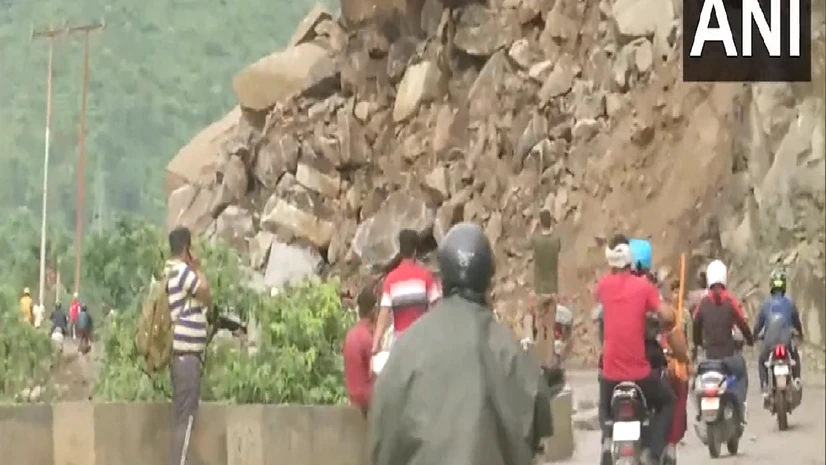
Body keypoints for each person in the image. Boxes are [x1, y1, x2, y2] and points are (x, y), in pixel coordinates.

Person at [369, 223, 554, 465]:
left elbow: (380, 439)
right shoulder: (511, 351)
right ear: (488, 282)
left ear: (443, 278)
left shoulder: (404, 352)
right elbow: (540, 419)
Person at [596, 234, 676, 465]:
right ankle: (653, 451)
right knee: (668, 401)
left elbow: (599, 308)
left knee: (604, 405)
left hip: (611, 375)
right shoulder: (644, 288)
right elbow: (666, 314)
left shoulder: (602, 287)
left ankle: (607, 439)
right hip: (639, 375)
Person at [166, 226, 212, 465]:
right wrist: (198, 268)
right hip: (187, 357)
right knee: (186, 419)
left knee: (183, 416)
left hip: (182, 356)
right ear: (186, 249)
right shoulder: (181, 271)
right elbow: (206, 292)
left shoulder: (171, 272)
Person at [692, 260, 754, 421]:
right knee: (741, 373)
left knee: (697, 381)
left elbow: (695, 326)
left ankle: (701, 412)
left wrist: (698, 344)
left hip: (710, 359)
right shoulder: (730, 301)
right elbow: (742, 323)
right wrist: (750, 340)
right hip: (728, 358)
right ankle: (740, 407)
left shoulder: (703, 303)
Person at [371, 229, 441, 355]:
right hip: (422, 343)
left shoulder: (390, 280)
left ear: (401, 250)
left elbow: (383, 314)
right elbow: (437, 309)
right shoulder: (426, 276)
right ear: (415, 251)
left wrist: (376, 342)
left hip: (401, 346)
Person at [753, 268, 804, 401]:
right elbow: (797, 322)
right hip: (786, 343)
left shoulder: (765, 304)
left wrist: (753, 337)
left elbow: (758, 325)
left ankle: (764, 385)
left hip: (769, 344)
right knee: (795, 356)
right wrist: (800, 335)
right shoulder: (790, 303)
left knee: (761, 361)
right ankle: (797, 379)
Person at [527, 208, 562, 366]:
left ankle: (541, 363)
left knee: (540, 328)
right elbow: (558, 245)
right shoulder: (555, 240)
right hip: (553, 289)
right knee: (551, 327)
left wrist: (534, 228)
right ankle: (549, 361)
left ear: (540, 222)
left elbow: (528, 243)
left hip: (540, 290)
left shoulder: (537, 240)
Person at [343, 287, 377, 416]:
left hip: (352, 395)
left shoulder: (350, 334)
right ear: (373, 311)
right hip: (366, 398)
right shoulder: (367, 337)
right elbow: (375, 370)